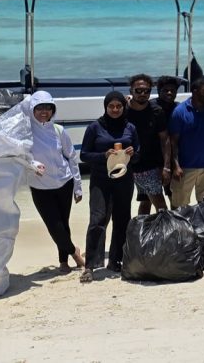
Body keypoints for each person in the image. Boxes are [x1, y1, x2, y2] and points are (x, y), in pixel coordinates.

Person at [78, 91, 139, 283]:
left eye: (118, 106)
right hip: (101, 180)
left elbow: (139, 154)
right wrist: (103, 156)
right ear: (105, 107)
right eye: (111, 106)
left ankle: (115, 260)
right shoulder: (95, 128)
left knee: (122, 219)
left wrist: (132, 153)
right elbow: (84, 155)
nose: (115, 110)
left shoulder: (130, 128)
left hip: (124, 179)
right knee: (98, 219)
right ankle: (90, 266)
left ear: (123, 107)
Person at [26, 91, 85, 274]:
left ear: (53, 110)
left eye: (48, 108)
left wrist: (78, 187)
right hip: (40, 186)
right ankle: (74, 252)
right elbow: (19, 156)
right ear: (32, 109)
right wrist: (32, 164)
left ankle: (63, 262)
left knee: (63, 223)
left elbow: (71, 158)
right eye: (39, 108)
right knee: (54, 225)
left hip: (64, 183)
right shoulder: (25, 131)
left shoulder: (59, 130)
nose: (44, 112)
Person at [168, 77, 204, 207]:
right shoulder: (179, 112)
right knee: (179, 206)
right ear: (194, 92)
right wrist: (176, 165)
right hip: (185, 167)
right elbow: (173, 142)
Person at [126, 74, 169, 215]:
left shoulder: (157, 111)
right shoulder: (123, 111)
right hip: (130, 167)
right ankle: (157, 234)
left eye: (147, 91)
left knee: (151, 203)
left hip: (151, 166)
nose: (143, 94)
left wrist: (166, 167)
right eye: (138, 90)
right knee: (155, 205)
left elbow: (165, 140)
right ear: (131, 91)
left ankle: (150, 234)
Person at [155, 76, 181, 208]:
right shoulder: (150, 106)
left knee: (174, 197)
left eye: (173, 90)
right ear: (159, 91)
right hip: (153, 160)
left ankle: (175, 225)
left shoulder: (179, 108)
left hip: (173, 160)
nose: (169, 93)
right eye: (166, 90)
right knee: (147, 200)